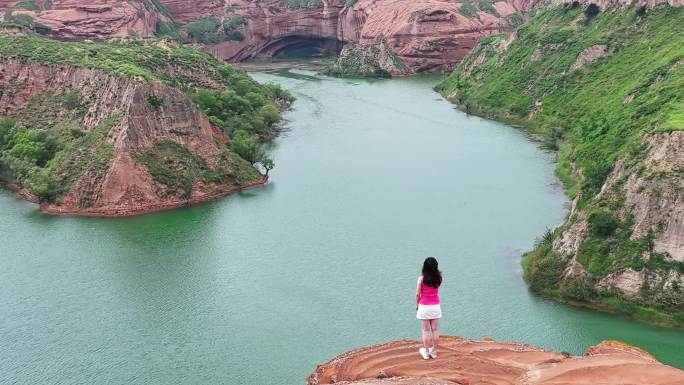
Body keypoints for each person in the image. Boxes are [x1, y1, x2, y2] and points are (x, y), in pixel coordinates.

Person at [415, 257, 442, 360]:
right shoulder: (439, 278)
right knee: (435, 330)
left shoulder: (421, 279)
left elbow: (418, 294)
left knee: (425, 330)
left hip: (424, 306)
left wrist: (417, 305)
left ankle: (426, 352)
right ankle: (434, 351)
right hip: (435, 306)